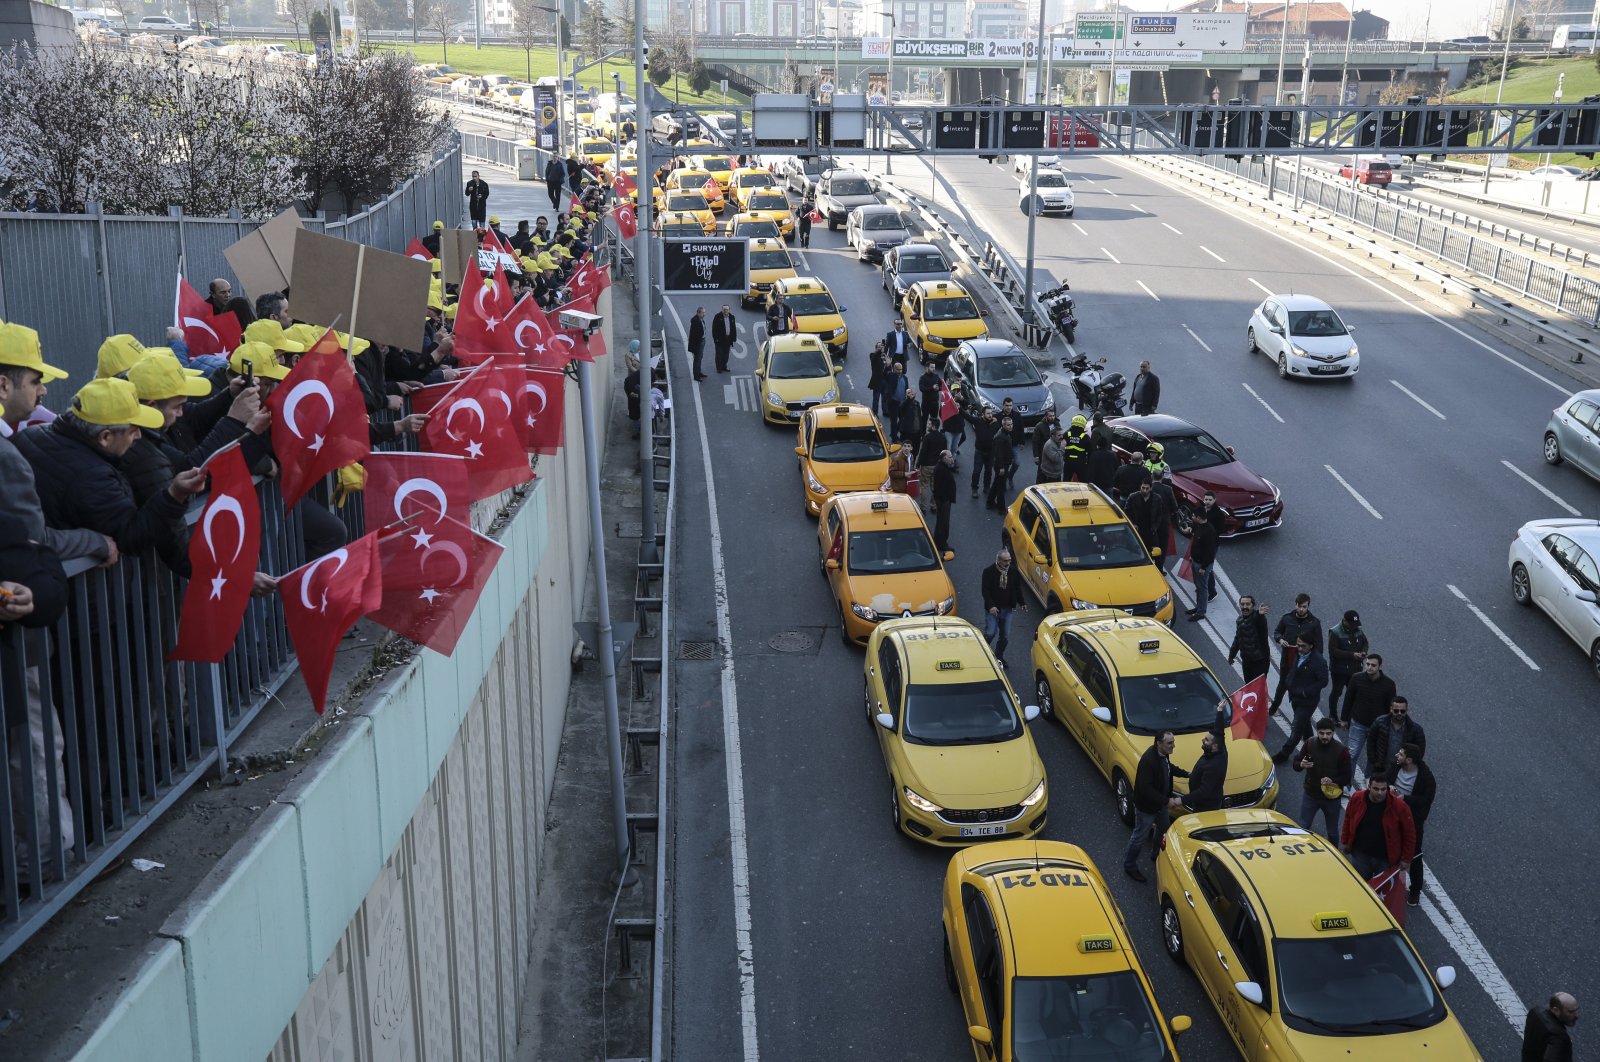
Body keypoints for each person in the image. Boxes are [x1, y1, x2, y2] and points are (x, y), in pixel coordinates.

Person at [1123, 730, 1188, 882]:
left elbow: (1168, 768)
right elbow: (1146, 789)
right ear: (1159, 744)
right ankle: (1129, 865)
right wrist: (1167, 801)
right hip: (1147, 807)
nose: (1173, 746)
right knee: (1139, 836)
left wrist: (1187, 774)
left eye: (1173, 742)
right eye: (1170, 743)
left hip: (1159, 805)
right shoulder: (1148, 761)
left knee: (1163, 826)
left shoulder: (1163, 754)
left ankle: (1156, 854)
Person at [1339, 770, 1415, 883]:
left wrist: (1406, 858)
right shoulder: (1357, 798)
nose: (1380, 793)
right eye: (1376, 789)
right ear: (1369, 787)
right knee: (1360, 887)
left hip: (1385, 859)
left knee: (1382, 892)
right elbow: (1348, 819)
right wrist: (1345, 841)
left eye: (1383, 789)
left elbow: (1409, 834)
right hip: (1361, 855)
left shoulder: (1400, 807)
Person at [1273, 633, 1328, 763]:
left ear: (1311, 646)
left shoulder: (1319, 661)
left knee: (1296, 729)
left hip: (1307, 701)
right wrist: (1288, 682)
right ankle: (1311, 746)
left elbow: (1323, 681)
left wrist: (1305, 692)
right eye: (1298, 645)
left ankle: (1284, 753)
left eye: (1303, 646)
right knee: (1305, 723)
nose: (1299, 648)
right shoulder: (1299, 653)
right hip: (1295, 696)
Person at [1292, 717, 1351, 839]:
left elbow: (1347, 777)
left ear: (1333, 733)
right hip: (1311, 794)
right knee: (1303, 827)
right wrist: (1301, 764)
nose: (1325, 736)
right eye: (1322, 733)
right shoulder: (1309, 744)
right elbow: (1296, 764)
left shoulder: (1342, 751)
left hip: (1331, 798)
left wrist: (1332, 781)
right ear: (1317, 732)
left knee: (1332, 832)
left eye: (1328, 733)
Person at [1391, 743, 1435, 906]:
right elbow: (1386, 778)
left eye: (1401, 754)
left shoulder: (1426, 778)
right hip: (1391, 813)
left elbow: (1426, 800)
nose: (1397, 755)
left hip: (1412, 819)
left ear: (1409, 760)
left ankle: (1415, 890)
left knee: (1414, 854)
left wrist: (1405, 799)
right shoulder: (1395, 766)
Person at [1342, 653, 1395, 780]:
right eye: (1368, 664)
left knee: (1373, 759)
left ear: (1380, 667)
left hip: (1377, 728)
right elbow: (1348, 699)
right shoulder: (1356, 678)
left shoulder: (1389, 684)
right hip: (1358, 723)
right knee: (1352, 755)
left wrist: (1389, 726)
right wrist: (1344, 719)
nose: (1369, 667)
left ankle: (1368, 783)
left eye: (1373, 665)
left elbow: (1391, 707)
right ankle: (1347, 785)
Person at [1269, 594, 1323, 714]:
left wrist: (1315, 663)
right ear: (1296, 604)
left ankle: (1298, 712)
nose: (1301, 609)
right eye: (1299, 606)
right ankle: (1274, 707)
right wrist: (1280, 640)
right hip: (1287, 657)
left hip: (1305, 660)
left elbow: (1319, 646)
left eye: (1304, 607)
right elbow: (1277, 632)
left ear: (1308, 606)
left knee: (1299, 685)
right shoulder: (1287, 618)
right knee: (1283, 683)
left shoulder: (1314, 623)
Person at [1179, 705, 1229, 813]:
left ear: (1214, 746)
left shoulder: (1214, 766)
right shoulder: (1220, 749)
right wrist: (1220, 711)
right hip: (1208, 802)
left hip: (1205, 807)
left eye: (1206, 740)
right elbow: (1219, 730)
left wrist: (1181, 800)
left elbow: (1204, 792)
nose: (1202, 740)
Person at [980, 549, 1026, 667]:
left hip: (1007, 610)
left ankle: (999, 656)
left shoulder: (1013, 572)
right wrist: (991, 606)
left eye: (1009, 560)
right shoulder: (988, 572)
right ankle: (981, 652)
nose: (1008, 563)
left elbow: (1017, 588)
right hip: (993, 611)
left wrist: (1022, 602)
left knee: (1005, 637)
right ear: (999, 560)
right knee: (990, 633)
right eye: (1005, 561)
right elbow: (985, 591)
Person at [1367, 695, 1426, 777]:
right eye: (1396, 710)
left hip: (1401, 770)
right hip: (1381, 767)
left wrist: (1408, 765)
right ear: (1391, 709)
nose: (1399, 713)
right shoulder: (1380, 722)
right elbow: (1371, 741)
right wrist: (1374, 761)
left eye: (1402, 711)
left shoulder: (1416, 730)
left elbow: (1419, 752)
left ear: (1406, 710)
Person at [1326, 609, 1369, 717]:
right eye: (1351, 624)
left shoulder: (1357, 630)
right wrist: (1352, 655)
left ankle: (1349, 717)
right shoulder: (1335, 632)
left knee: (1353, 694)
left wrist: (1364, 651)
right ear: (1345, 621)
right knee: (1337, 693)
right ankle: (1333, 715)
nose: (1354, 626)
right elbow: (1333, 651)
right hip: (1340, 670)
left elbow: (1365, 642)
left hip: (1355, 669)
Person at [1184, 493, 1219, 621]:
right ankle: (1198, 607)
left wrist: (1204, 567)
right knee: (1198, 587)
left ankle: (1201, 612)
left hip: (1201, 565)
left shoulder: (1209, 532)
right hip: (1196, 561)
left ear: (1198, 517)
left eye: (1193, 516)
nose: (1192, 517)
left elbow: (1210, 553)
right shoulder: (1199, 525)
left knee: (1202, 588)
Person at [1523, 993, 1579, 1062]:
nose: (1576, 1016)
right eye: (1571, 1012)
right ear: (1556, 1010)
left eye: (1576, 1010)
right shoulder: (1558, 1036)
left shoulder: (1535, 1011)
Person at [1228, 594, 1272, 683]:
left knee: (1258, 688)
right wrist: (1231, 655)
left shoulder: (1258, 617)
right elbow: (1237, 639)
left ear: (1253, 605)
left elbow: (1260, 622)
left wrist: (1260, 615)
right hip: (1247, 661)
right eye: (1242, 604)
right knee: (1248, 687)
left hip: (1260, 661)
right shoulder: (1239, 620)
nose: (1245, 607)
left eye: (1248, 604)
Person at [1123, 478, 1166, 561]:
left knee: (1153, 553)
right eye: (1143, 488)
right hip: (1137, 530)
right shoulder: (1133, 497)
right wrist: (1133, 524)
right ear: (1140, 487)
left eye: (1147, 488)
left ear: (1151, 488)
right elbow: (1126, 512)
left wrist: (1155, 527)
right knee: (1135, 553)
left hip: (1151, 531)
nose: (1144, 490)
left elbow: (1160, 515)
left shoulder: (1157, 498)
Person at [985, 414, 1021, 511]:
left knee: (997, 483)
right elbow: (998, 454)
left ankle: (989, 502)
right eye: (1008, 425)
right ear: (1003, 425)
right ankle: (1001, 508)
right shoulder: (1000, 437)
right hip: (1001, 465)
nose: (1011, 426)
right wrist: (1001, 467)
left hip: (1004, 463)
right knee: (1000, 487)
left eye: (1011, 424)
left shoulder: (1005, 433)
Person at [969, 407, 998, 499]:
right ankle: (974, 489)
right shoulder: (978, 421)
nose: (990, 415)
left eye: (991, 413)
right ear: (983, 414)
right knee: (977, 471)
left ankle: (986, 487)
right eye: (988, 413)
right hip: (979, 452)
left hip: (991, 452)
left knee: (988, 471)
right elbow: (967, 417)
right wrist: (959, 408)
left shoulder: (996, 423)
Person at [916, 422, 944, 515]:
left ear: (933, 426)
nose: (927, 426)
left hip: (927, 465)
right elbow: (944, 452)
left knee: (924, 486)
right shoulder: (942, 437)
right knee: (935, 486)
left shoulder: (927, 437)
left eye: (929, 424)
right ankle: (934, 506)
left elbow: (923, 452)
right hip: (937, 466)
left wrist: (918, 464)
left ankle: (923, 507)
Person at [932, 450, 956, 553]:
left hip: (943, 499)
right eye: (950, 457)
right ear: (944, 458)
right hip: (943, 500)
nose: (952, 459)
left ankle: (938, 541)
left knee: (941, 522)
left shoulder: (942, 467)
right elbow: (939, 487)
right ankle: (942, 543)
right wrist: (945, 498)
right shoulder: (941, 469)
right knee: (943, 522)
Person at [879, 362, 908, 435]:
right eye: (898, 369)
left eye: (901, 369)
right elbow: (884, 375)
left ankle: (894, 433)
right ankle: (894, 437)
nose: (899, 371)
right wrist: (888, 366)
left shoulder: (905, 378)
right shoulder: (891, 376)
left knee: (902, 420)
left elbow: (906, 389)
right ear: (894, 369)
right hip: (893, 403)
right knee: (894, 422)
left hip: (902, 403)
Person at [1061, 414, 1089, 483]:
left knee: (1066, 481)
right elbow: (1090, 451)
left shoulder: (1067, 434)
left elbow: (1061, 445)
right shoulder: (1085, 437)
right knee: (1083, 482)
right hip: (1080, 463)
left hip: (1068, 462)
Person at [712, 305, 737, 373]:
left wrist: (733, 338)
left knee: (726, 354)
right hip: (720, 339)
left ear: (729, 310)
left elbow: (733, 328)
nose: (725, 310)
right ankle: (719, 368)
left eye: (727, 309)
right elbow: (714, 329)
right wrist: (715, 339)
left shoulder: (732, 317)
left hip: (728, 339)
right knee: (719, 354)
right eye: (724, 309)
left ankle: (724, 366)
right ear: (722, 310)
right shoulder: (717, 317)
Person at [687, 306, 707, 381]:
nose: (704, 314)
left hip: (702, 341)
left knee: (700, 358)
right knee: (697, 359)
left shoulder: (700, 319)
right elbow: (695, 334)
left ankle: (699, 372)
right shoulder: (695, 320)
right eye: (703, 313)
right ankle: (696, 375)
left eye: (704, 312)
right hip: (698, 343)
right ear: (698, 313)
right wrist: (700, 341)